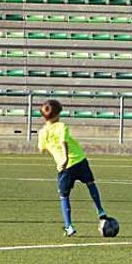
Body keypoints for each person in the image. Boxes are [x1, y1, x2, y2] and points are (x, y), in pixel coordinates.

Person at [37, 99, 108, 236]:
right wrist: (67, 156)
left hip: (64, 167)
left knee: (64, 196)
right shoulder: (61, 126)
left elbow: (41, 149)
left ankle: (69, 226)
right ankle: (100, 211)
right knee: (90, 183)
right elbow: (64, 141)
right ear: (58, 114)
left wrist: (61, 156)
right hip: (79, 159)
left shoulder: (42, 132)